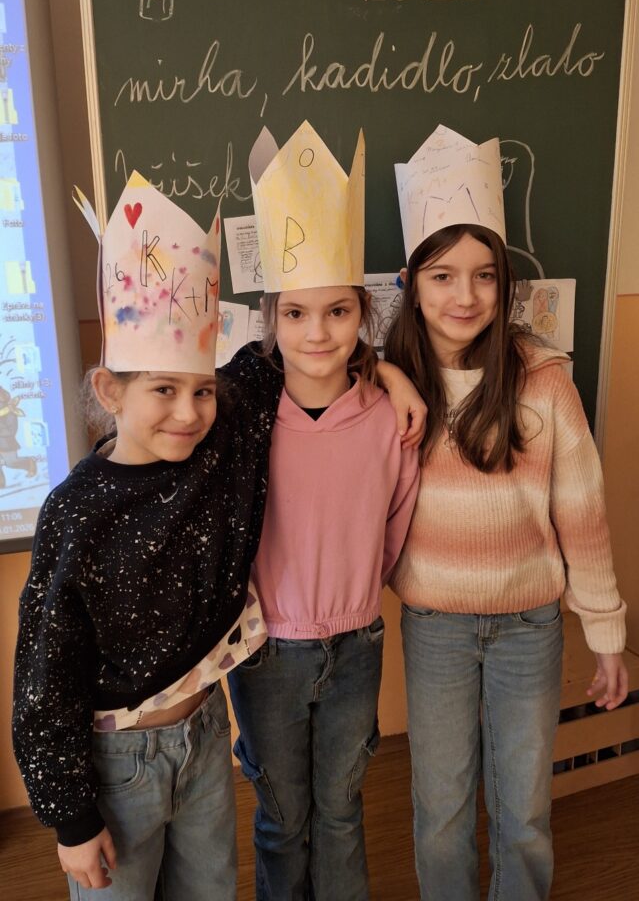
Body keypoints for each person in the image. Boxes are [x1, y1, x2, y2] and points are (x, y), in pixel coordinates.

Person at [12, 174, 283, 900]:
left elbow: (279, 361)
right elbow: (46, 673)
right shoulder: (76, 512)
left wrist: (388, 373)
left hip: (205, 735)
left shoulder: (220, 443)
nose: (189, 413)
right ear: (110, 391)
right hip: (118, 763)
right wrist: (71, 818)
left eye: (202, 390)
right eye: (163, 389)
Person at [384, 125, 628, 901]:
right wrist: (381, 372)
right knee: (441, 810)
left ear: (504, 283)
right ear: (410, 283)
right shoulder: (388, 386)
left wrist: (606, 634)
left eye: (484, 275)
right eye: (442, 275)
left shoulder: (543, 381)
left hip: (528, 624)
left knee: (522, 812)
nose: (465, 296)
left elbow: (582, 514)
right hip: (435, 628)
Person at [228, 122, 421, 901]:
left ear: (362, 314)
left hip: (357, 641)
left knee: (340, 812)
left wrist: (357, 589)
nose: (317, 332)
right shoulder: (241, 413)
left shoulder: (387, 417)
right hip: (265, 650)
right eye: (296, 314)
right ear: (271, 318)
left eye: (337, 312)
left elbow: (395, 522)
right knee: (283, 818)